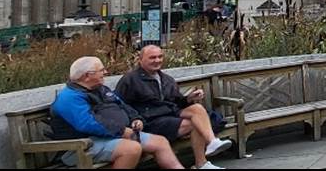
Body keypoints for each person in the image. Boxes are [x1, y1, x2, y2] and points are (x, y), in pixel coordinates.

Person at [50, 56, 184, 169]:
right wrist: (121, 131)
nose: (105, 72)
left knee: (160, 142)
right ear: (87, 76)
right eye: (101, 70)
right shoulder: (69, 97)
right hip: (82, 145)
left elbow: (124, 106)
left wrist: (136, 119)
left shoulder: (101, 89)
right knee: (131, 149)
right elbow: (87, 123)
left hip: (112, 136)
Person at [116, 43, 232, 170]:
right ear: (141, 59)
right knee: (194, 124)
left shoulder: (166, 79)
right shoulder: (130, 80)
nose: (157, 60)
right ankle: (201, 164)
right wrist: (133, 122)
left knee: (197, 109)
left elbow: (175, 102)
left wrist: (189, 98)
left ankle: (212, 142)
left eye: (160, 57)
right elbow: (119, 104)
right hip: (150, 121)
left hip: (169, 114)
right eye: (152, 58)